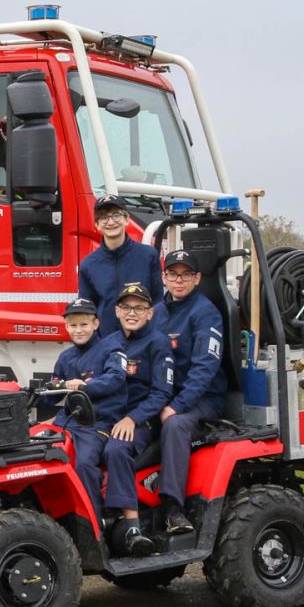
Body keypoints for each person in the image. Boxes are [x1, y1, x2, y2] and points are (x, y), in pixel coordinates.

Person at [154, 249, 228, 535]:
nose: (179, 280)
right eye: (173, 274)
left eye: (186, 275)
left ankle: (173, 509)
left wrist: (177, 406)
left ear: (197, 279)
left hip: (203, 399)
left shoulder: (205, 313)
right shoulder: (156, 312)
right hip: (165, 395)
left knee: (175, 426)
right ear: (164, 277)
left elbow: (205, 369)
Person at [102, 282, 174, 556]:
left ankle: (132, 528)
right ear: (117, 311)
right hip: (107, 417)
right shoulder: (107, 343)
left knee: (116, 449)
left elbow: (161, 392)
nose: (132, 313)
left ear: (150, 313)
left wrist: (132, 419)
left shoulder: (158, 343)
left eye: (139, 308)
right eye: (126, 307)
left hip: (141, 421)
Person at [50, 298, 128, 519]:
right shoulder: (65, 357)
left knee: (84, 463)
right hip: (66, 423)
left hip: (98, 424)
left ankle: (93, 521)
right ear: (66, 327)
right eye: (73, 325)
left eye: (84, 324)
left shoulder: (112, 349)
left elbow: (116, 377)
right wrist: (30, 392)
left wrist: (86, 386)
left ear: (96, 324)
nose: (78, 330)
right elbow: (53, 392)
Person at [78, 196, 163, 338]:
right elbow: (87, 311)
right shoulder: (88, 265)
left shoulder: (148, 256)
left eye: (116, 215)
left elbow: (158, 302)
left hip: (144, 341)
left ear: (127, 219)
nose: (111, 222)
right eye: (104, 217)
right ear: (97, 225)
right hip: (107, 342)